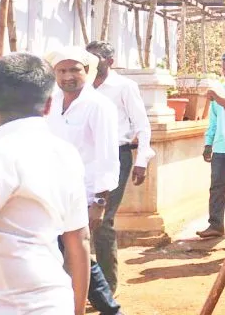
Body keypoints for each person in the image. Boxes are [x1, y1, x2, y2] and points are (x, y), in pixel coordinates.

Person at [0, 53, 91, 315]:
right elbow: (79, 239)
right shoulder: (64, 153)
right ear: (48, 105)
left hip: (3, 307)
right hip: (55, 300)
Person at [45, 46, 124, 315]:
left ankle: (110, 309)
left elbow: (107, 156)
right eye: (62, 70)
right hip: (52, 191)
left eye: (74, 69)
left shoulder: (99, 105)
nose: (68, 76)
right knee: (66, 251)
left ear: (86, 72)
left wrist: (99, 202)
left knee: (78, 253)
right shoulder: (51, 102)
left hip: (84, 193)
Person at [85, 40, 154, 293]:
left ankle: (106, 287)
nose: (90, 63)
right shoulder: (81, 86)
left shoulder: (124, 87)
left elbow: (141, 125)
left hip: (116, 157)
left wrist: (141, 161)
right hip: (84, 159)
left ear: (109, 61)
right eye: (87, 57)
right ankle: (80, 282)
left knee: (103, 220)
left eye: (96, 58)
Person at [198, 51, 225, 239]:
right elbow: (213, 122)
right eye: (223, 68)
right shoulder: (218, 92)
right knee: (217, 187)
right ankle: (215, 225)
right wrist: (208, 144)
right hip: (220, 149)